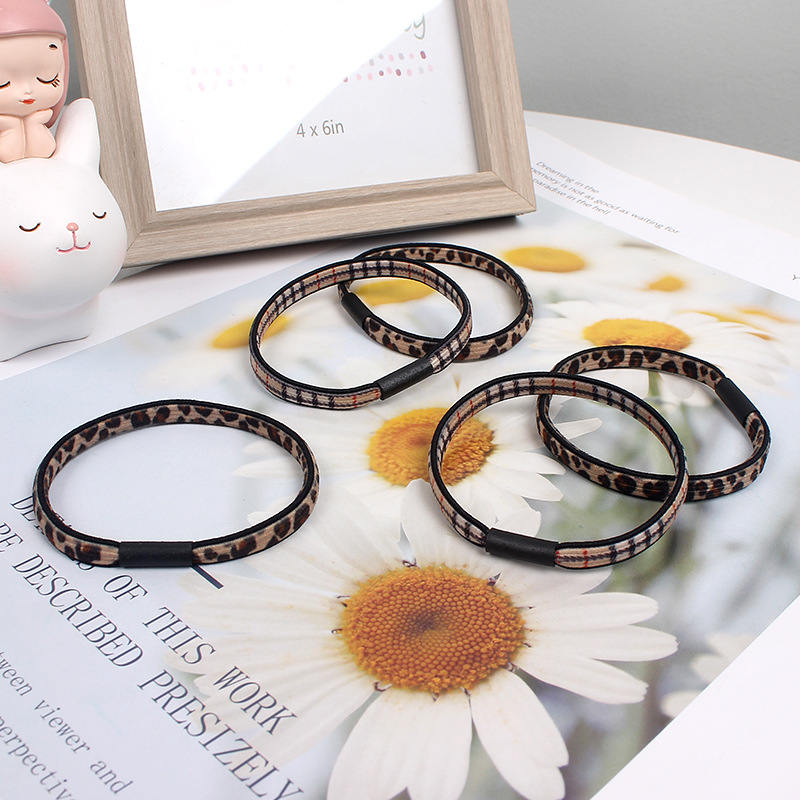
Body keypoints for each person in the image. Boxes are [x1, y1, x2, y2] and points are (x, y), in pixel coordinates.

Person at [0, 0, 69, 162]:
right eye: (3, 83)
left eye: (47, 79)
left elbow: (44, 150)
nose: (27, 91)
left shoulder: (41, 116)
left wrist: (35, 123)